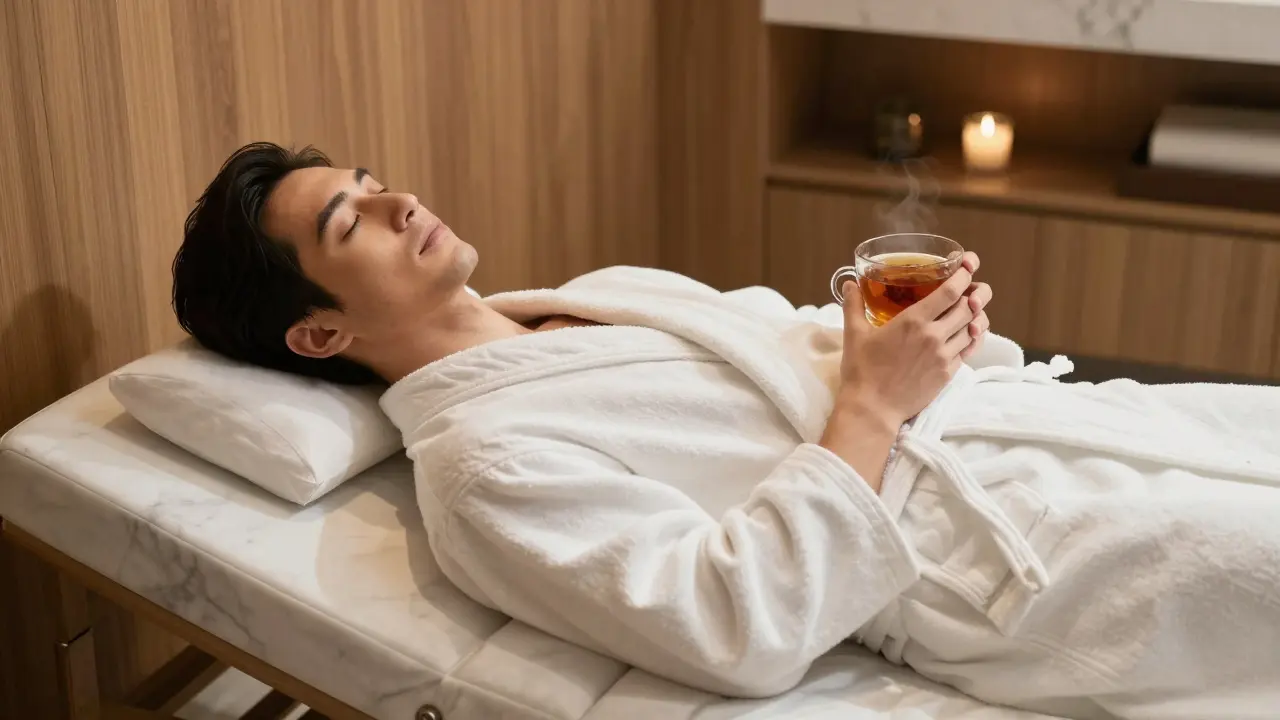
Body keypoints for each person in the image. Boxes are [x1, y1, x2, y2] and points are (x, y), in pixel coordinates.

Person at [173, 142, 1280, 720]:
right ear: (316, 335)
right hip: (1034, 559)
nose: (397, 203)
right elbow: (726, 622)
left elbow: (780, 346)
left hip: (1062, 427)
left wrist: (907, 336)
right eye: (346, 222)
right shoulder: (479, 471)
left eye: (371, 183)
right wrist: (874, 404)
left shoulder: (587, 292)